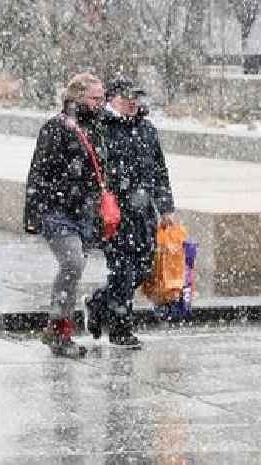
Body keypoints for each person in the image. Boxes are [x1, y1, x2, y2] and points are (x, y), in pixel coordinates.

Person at [86, 76, 176, 347]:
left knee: (144, 268)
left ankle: (99, 302)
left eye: (137, 98)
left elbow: (159, 171)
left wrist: (166, 207)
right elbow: (92, 171)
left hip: (143, 213)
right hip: (114, 215)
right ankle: (121, 329)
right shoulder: (100, 127)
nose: (134, 103)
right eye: (128, 98)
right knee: (122, 271)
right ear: (113, 98)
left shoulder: (147, 129)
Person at [23, 72, 106, 356]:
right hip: (57, 211)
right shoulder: (56, 128)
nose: (100, 103)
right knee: (72, 263)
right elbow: (38, 172)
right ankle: (59, 327)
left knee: (74, 267)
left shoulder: (96, 128)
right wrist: (33, 215)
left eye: (102, 97)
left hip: (81, 212)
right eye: (96, 98)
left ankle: (56, 329)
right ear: (78, 97)